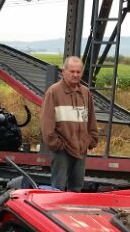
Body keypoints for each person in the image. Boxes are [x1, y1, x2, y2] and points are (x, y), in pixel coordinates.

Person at [40, 56, 98, 191]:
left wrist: (91, 140)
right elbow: (46, 122)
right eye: (72, 71)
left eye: (78, 72)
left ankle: (71, 212)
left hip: (81, 149)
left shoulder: (85, 92)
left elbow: (91, 118)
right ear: (63, 71)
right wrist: (57, 144)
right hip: (62, 150)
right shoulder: (53, 92)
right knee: (58, 189)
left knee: (76, 189)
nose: (75, 75)